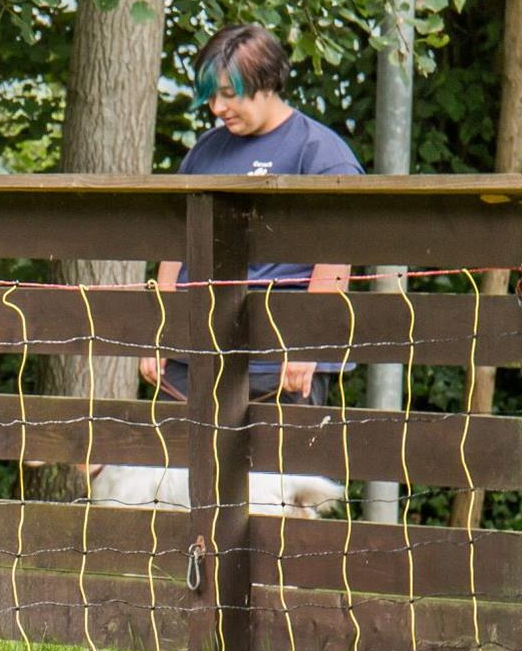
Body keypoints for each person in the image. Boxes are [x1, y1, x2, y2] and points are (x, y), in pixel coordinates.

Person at [139, 23, 362, 403]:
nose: (217, 108)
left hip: (280, 364)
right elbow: (175, 249)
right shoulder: (204, 151)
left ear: (267, 82)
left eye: (229, 94)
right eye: (211, 96)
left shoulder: (322, 153)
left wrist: (306, 343)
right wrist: (161, 333)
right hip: (192, 357)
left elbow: (335, 257)